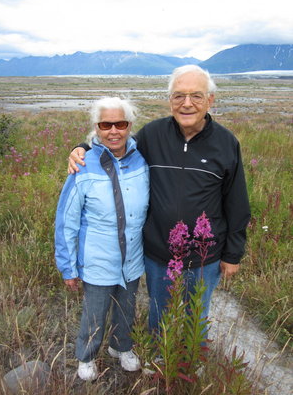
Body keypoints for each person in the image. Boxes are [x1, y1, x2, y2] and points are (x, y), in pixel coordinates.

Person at [68, 65, 250, 338]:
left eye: (196, 96)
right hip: (158, 253)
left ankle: (190, 361)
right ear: (170, 100)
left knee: (196, 314)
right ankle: (158, 357)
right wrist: (82, 148)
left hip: (204, 256)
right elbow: (116, 145)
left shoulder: (226, 143)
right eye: (178, 96)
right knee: (159, 311)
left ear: (210, 100)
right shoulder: (152, 135)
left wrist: (232, 254)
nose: (186, 103)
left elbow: (236, 202)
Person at [55, 97, 149, 381]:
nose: (113, 131)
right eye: (105, 124)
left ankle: (121, 347)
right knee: (94, 313)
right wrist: (68, 266)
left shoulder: (142, 158)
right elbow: (66, 222)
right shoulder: (82, 165)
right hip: (98, 260)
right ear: (96, 127)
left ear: (130, 125)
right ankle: (86, 355)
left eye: (120, 124)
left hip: (132, 257)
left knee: (127, 308)